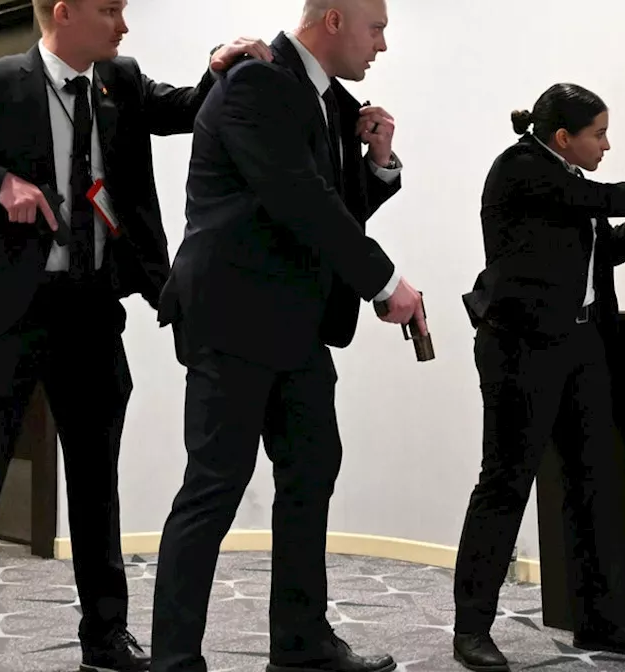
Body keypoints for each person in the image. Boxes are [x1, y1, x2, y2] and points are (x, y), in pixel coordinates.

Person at [0, 0, 269, 669]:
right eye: (109, 10)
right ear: (64, 13)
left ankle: (105, 637)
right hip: (4, 317)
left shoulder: (120, 80)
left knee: (95, 481)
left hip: (89, 310)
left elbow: (185, 110)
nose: (123, 24)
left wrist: (215, 69)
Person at [150, 1, 424, 671]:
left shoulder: (330, 103)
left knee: (311, 472)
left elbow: (331, 209)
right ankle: (175, 662)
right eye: (376, 28)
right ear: (333, 21)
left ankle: (301, 645)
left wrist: (378, 164)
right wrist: (384, 281)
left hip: (296, 324)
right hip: (232, 317)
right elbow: (297, 196)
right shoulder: (256, 81)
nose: (382, 46)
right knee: (214, 488)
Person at [451, 83, 625, 672]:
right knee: (505, 485)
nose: (607, 144)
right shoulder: (522, 168)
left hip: (580, 345)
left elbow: (609, 249)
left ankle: (599, 620)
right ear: (562, 137)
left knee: (593, 483)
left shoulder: (570, 181)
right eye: (598, 134)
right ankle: (471, 629)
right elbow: (605, 197)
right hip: (520, 348)